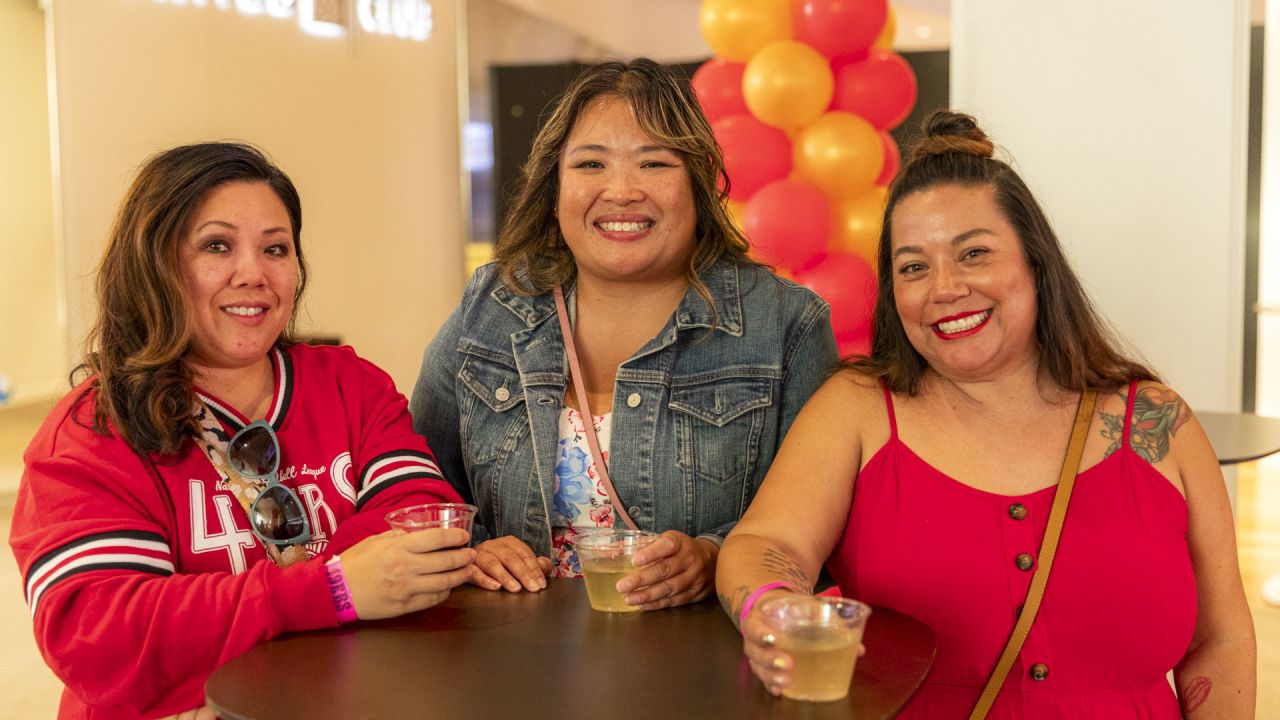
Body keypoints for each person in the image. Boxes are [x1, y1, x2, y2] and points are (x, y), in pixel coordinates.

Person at [717, 111, 1256, 717]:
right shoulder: (857, 410)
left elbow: (1222, 640)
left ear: (1036, 264)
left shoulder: (1157, 422)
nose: (945, 287)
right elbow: (768, 541)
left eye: (973, 253)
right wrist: (769, 606)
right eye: (913, 266)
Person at [9, 143, 476, 719]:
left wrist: (228, 618)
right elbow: (102, 638)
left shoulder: (350, 385)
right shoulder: (92, 431)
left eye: (275, 249)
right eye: (216, 246)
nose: (253, 273)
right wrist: (330, 589)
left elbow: (424, 518)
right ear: (154, 264)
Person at [411, 58, 837, 610]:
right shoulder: (491, 306)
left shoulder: (787, 325)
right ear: (554, 183)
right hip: (510, 669)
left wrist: (714, 558)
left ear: (701, 179)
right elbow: (417, 488)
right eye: (590, 164)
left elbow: (826, 531)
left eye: (654, 163)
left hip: (700, 672)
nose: (621, 191)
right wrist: (473, 550)